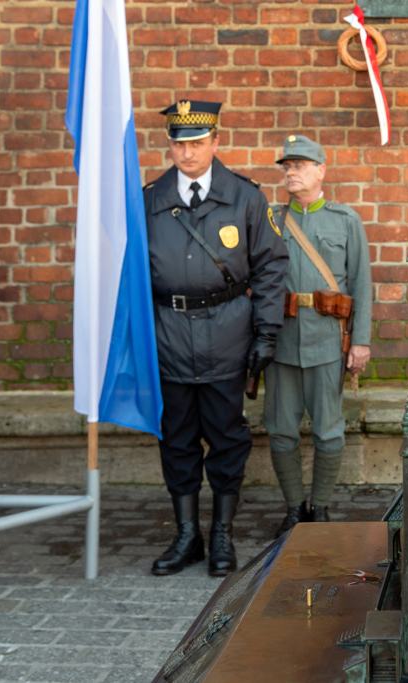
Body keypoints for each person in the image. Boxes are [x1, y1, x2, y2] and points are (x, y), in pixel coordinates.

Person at [144, 100, 288, 576]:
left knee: (227, 438)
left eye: (197, 143)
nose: (187, 153)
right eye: (179, 143)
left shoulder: (244, 197)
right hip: (167, 335)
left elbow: (270, 267)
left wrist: (266, 332)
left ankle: (222, 535)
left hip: (227, 333)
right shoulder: (149, 199)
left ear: (216, 142)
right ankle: (187, 536)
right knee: (177, 438)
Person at [263, 135, 373, 537]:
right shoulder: (271, 219)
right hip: (281, 341)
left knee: (329, 430)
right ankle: (294, 508)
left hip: (327, 341)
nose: (291, 172)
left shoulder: (345, 220)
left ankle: (321, 507)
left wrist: (360, 341)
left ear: (321, 170)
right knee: (280, 430)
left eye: (300, 165)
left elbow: (361, 285)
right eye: (287, 166)